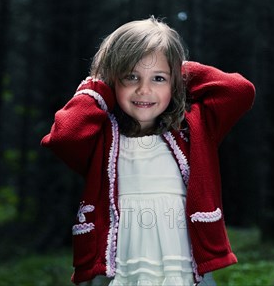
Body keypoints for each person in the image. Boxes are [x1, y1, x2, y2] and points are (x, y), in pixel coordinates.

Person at [41, 17, 255, 285]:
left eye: (158, 78)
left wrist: (174, 63)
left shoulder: (194, 127)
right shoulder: (102, 137)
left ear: (174, 81)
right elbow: (64, 138)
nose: (145, 89)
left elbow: (240, 90)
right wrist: (97, 88)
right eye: (131, 76)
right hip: (121, 263)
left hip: (181, 262)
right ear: (112, 80)